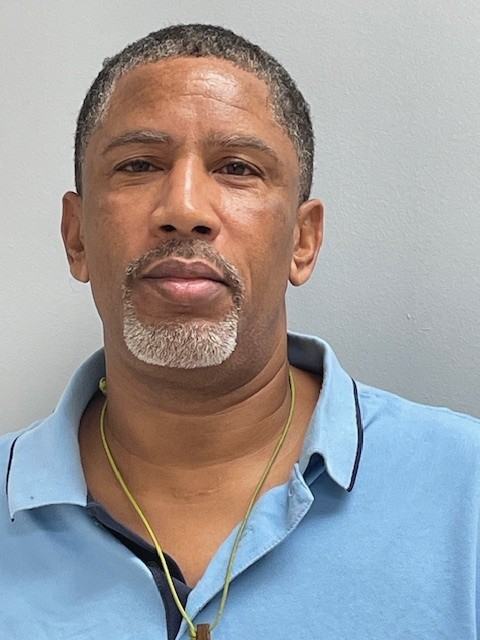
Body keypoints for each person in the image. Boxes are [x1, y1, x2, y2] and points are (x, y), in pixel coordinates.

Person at [1, 23, 479, 640]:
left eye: (237, 168)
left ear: (303, 241)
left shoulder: (466, 491)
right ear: (77, 236)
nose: (184, 210)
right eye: (139, 164)